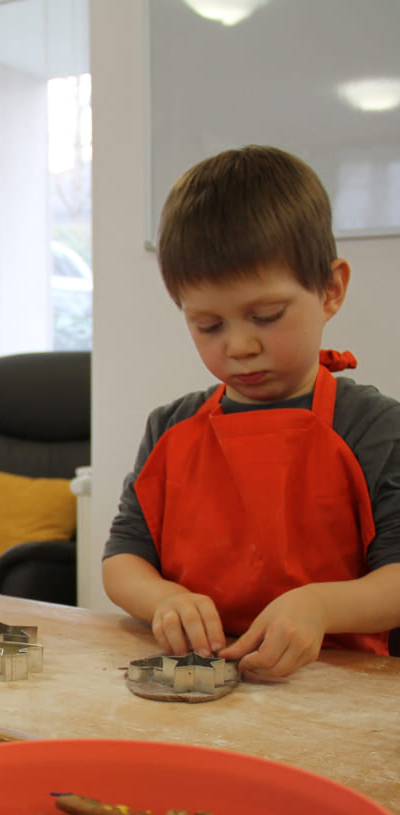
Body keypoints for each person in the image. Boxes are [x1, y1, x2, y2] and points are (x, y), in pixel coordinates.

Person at [102, 145, 400, 678]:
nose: (238, 345)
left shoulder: (374, 427)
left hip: (340, 690)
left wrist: (320, 607)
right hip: (194, 680)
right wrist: (163, 599)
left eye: (265, 316)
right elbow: (123, 559)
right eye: (208, 326)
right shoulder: (169, 428)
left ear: (330, 291)